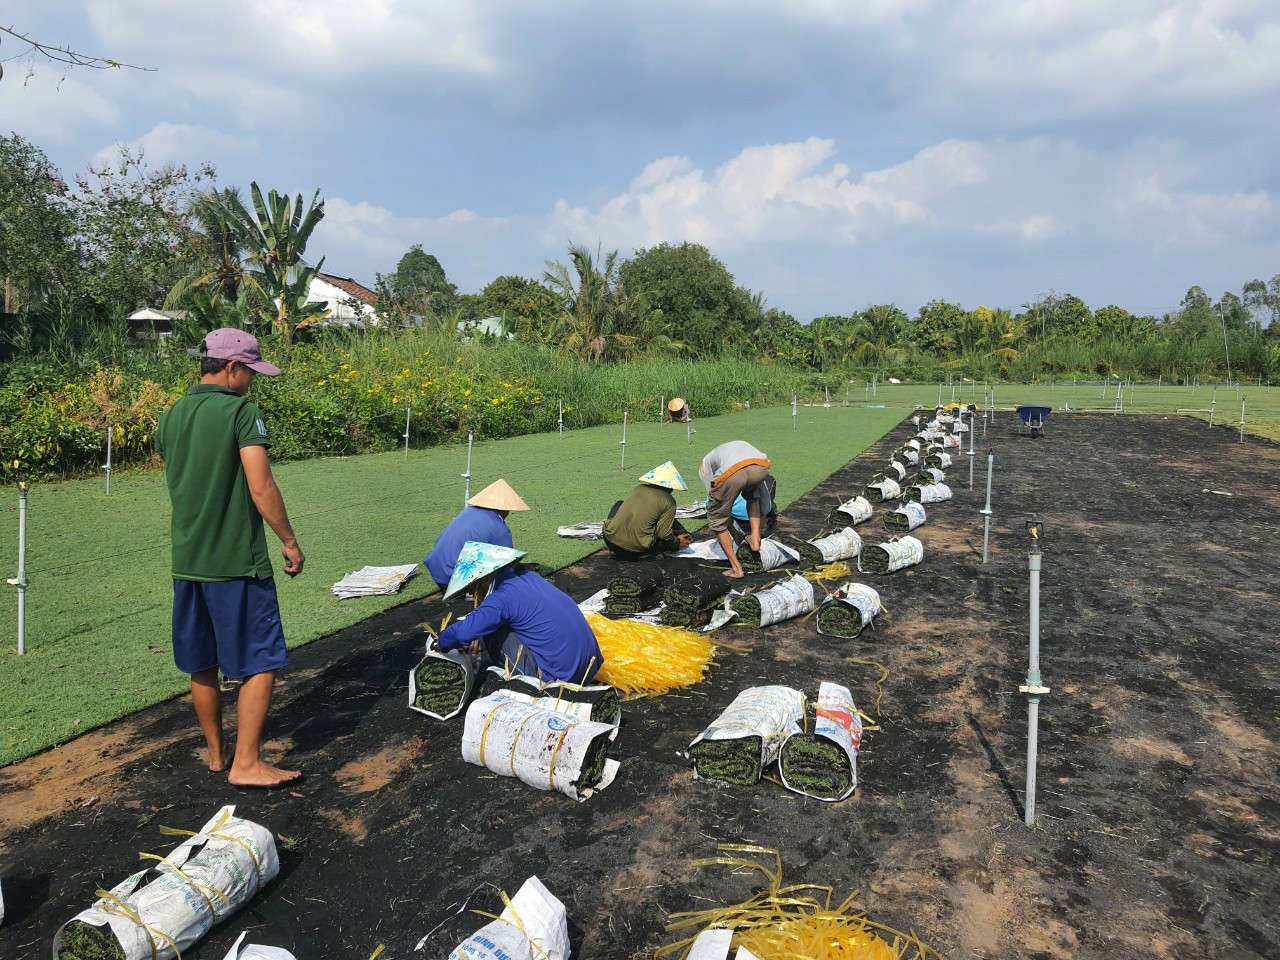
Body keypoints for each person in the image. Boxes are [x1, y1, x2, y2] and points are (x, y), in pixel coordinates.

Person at [155, 328, 304, 789]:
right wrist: (289, 540)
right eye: (251, 372)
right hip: (236, 560)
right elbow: (260, 485)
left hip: (188, 559)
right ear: (233, 368)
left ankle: (218, 755)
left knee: (202, 660)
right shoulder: (241, 412)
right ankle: (247, 764)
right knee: (261, 659)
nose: (254, 382)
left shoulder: (172, 414)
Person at [436, 542, 604, 683]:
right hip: (589, 667)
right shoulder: (529, 577)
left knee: (492, 635)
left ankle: (532, 685)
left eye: (473, 588)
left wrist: (441, 640)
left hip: (561, 678)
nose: (471, 594)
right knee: (492, 626)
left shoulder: (501, 599)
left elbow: (462, 633)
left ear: (486, 578)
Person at [424, 479, 529, 594]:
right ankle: (471, 592)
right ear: (504, 508)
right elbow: (508, 562)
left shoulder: (468, 511)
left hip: (437, 572)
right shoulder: (499, 528)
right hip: (453, 581)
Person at [698, 440, 774, 579]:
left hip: (734, 470)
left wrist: (734, 533)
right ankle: (755, 540)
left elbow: (718, 509)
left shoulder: (704, 468)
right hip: (760, 466)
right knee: (753, 498)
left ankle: (736, 569)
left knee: (716, 518)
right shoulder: (724, 450)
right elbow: (759, 499)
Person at [602, 461, 693, 559]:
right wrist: (677, 543)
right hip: (633, 551)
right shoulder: (669, 501)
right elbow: (664, 534)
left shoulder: (639, 488)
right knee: (663, 527)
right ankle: (646, 553)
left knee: (620, 503)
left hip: (609, 540)